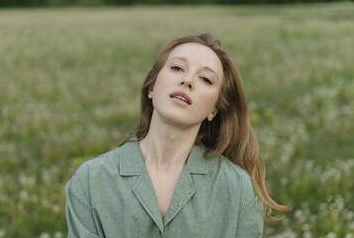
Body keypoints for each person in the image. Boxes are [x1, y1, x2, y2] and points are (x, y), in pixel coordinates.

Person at [65, 33, 292, 238]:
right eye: (176, 68)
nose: (187, 81)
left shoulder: (238, 188)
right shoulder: (89, 182)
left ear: (214, 110)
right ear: (152, 87)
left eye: (205, 79)